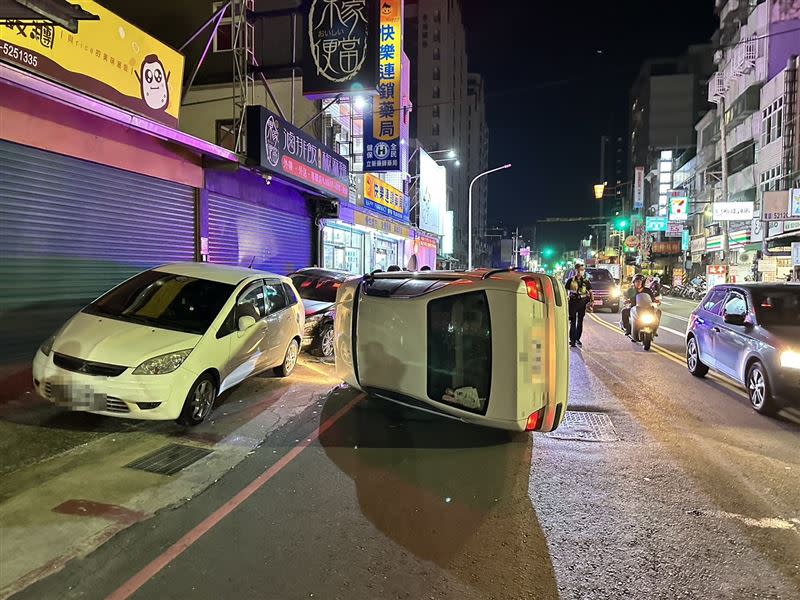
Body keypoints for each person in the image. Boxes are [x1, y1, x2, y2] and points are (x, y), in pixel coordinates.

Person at [621, 274, 661, 339]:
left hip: (647, 309)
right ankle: (627, 328)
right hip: (634, 309)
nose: (638, 283)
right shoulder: (631, 290)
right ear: (634, 282)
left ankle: (654, 329)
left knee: (658, 312)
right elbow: (625, 297)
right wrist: (626, 300)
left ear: (642, 282)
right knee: (624, 311)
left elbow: (652, 298)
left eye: (640, 281)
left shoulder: (647, 290)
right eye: (636, 281)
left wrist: (656, 301)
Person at [564, 263, 593, 347]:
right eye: (580, 270)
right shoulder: (570, 280)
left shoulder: (586, 281)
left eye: (583, 270)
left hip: (582, 302)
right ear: (576, 270)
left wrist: (592, 301)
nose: (582, 271)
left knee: (580, 321)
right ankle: (572, 340)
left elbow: (590, 292)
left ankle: (577, 339)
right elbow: (566, 290)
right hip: (573, 302)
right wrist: (566, 299)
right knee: (572, 321)